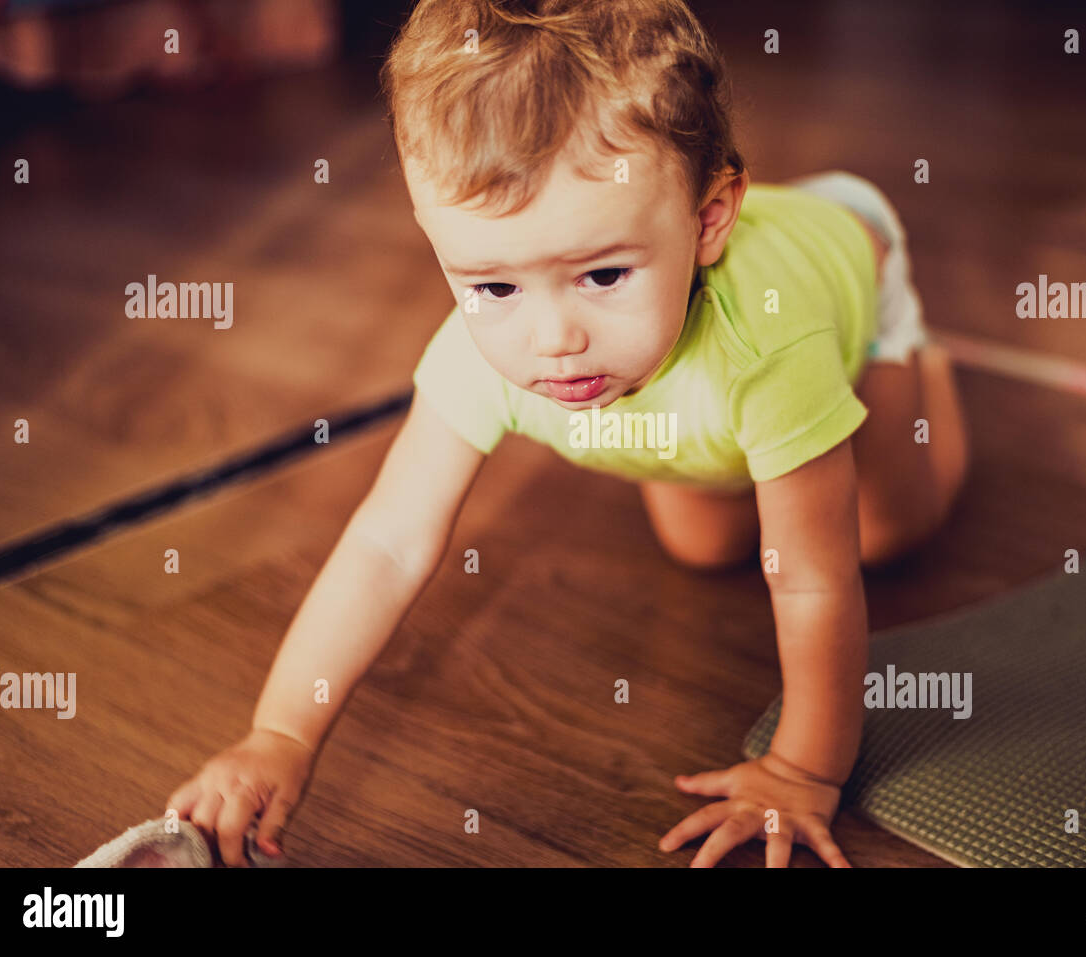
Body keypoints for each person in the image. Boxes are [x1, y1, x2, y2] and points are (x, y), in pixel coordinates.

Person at [167, 0, 970, 869]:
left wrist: (802, 769)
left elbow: (812, 581)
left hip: (851, 265)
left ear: (708, 221)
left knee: (885, 534)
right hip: (712, 333)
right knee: (703, 542)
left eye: (602, 273)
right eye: (494, 287)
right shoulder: (484, 355)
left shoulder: (770, 348)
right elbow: (387, 545)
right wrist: (280, 731)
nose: (552, 341)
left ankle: (930, 366)